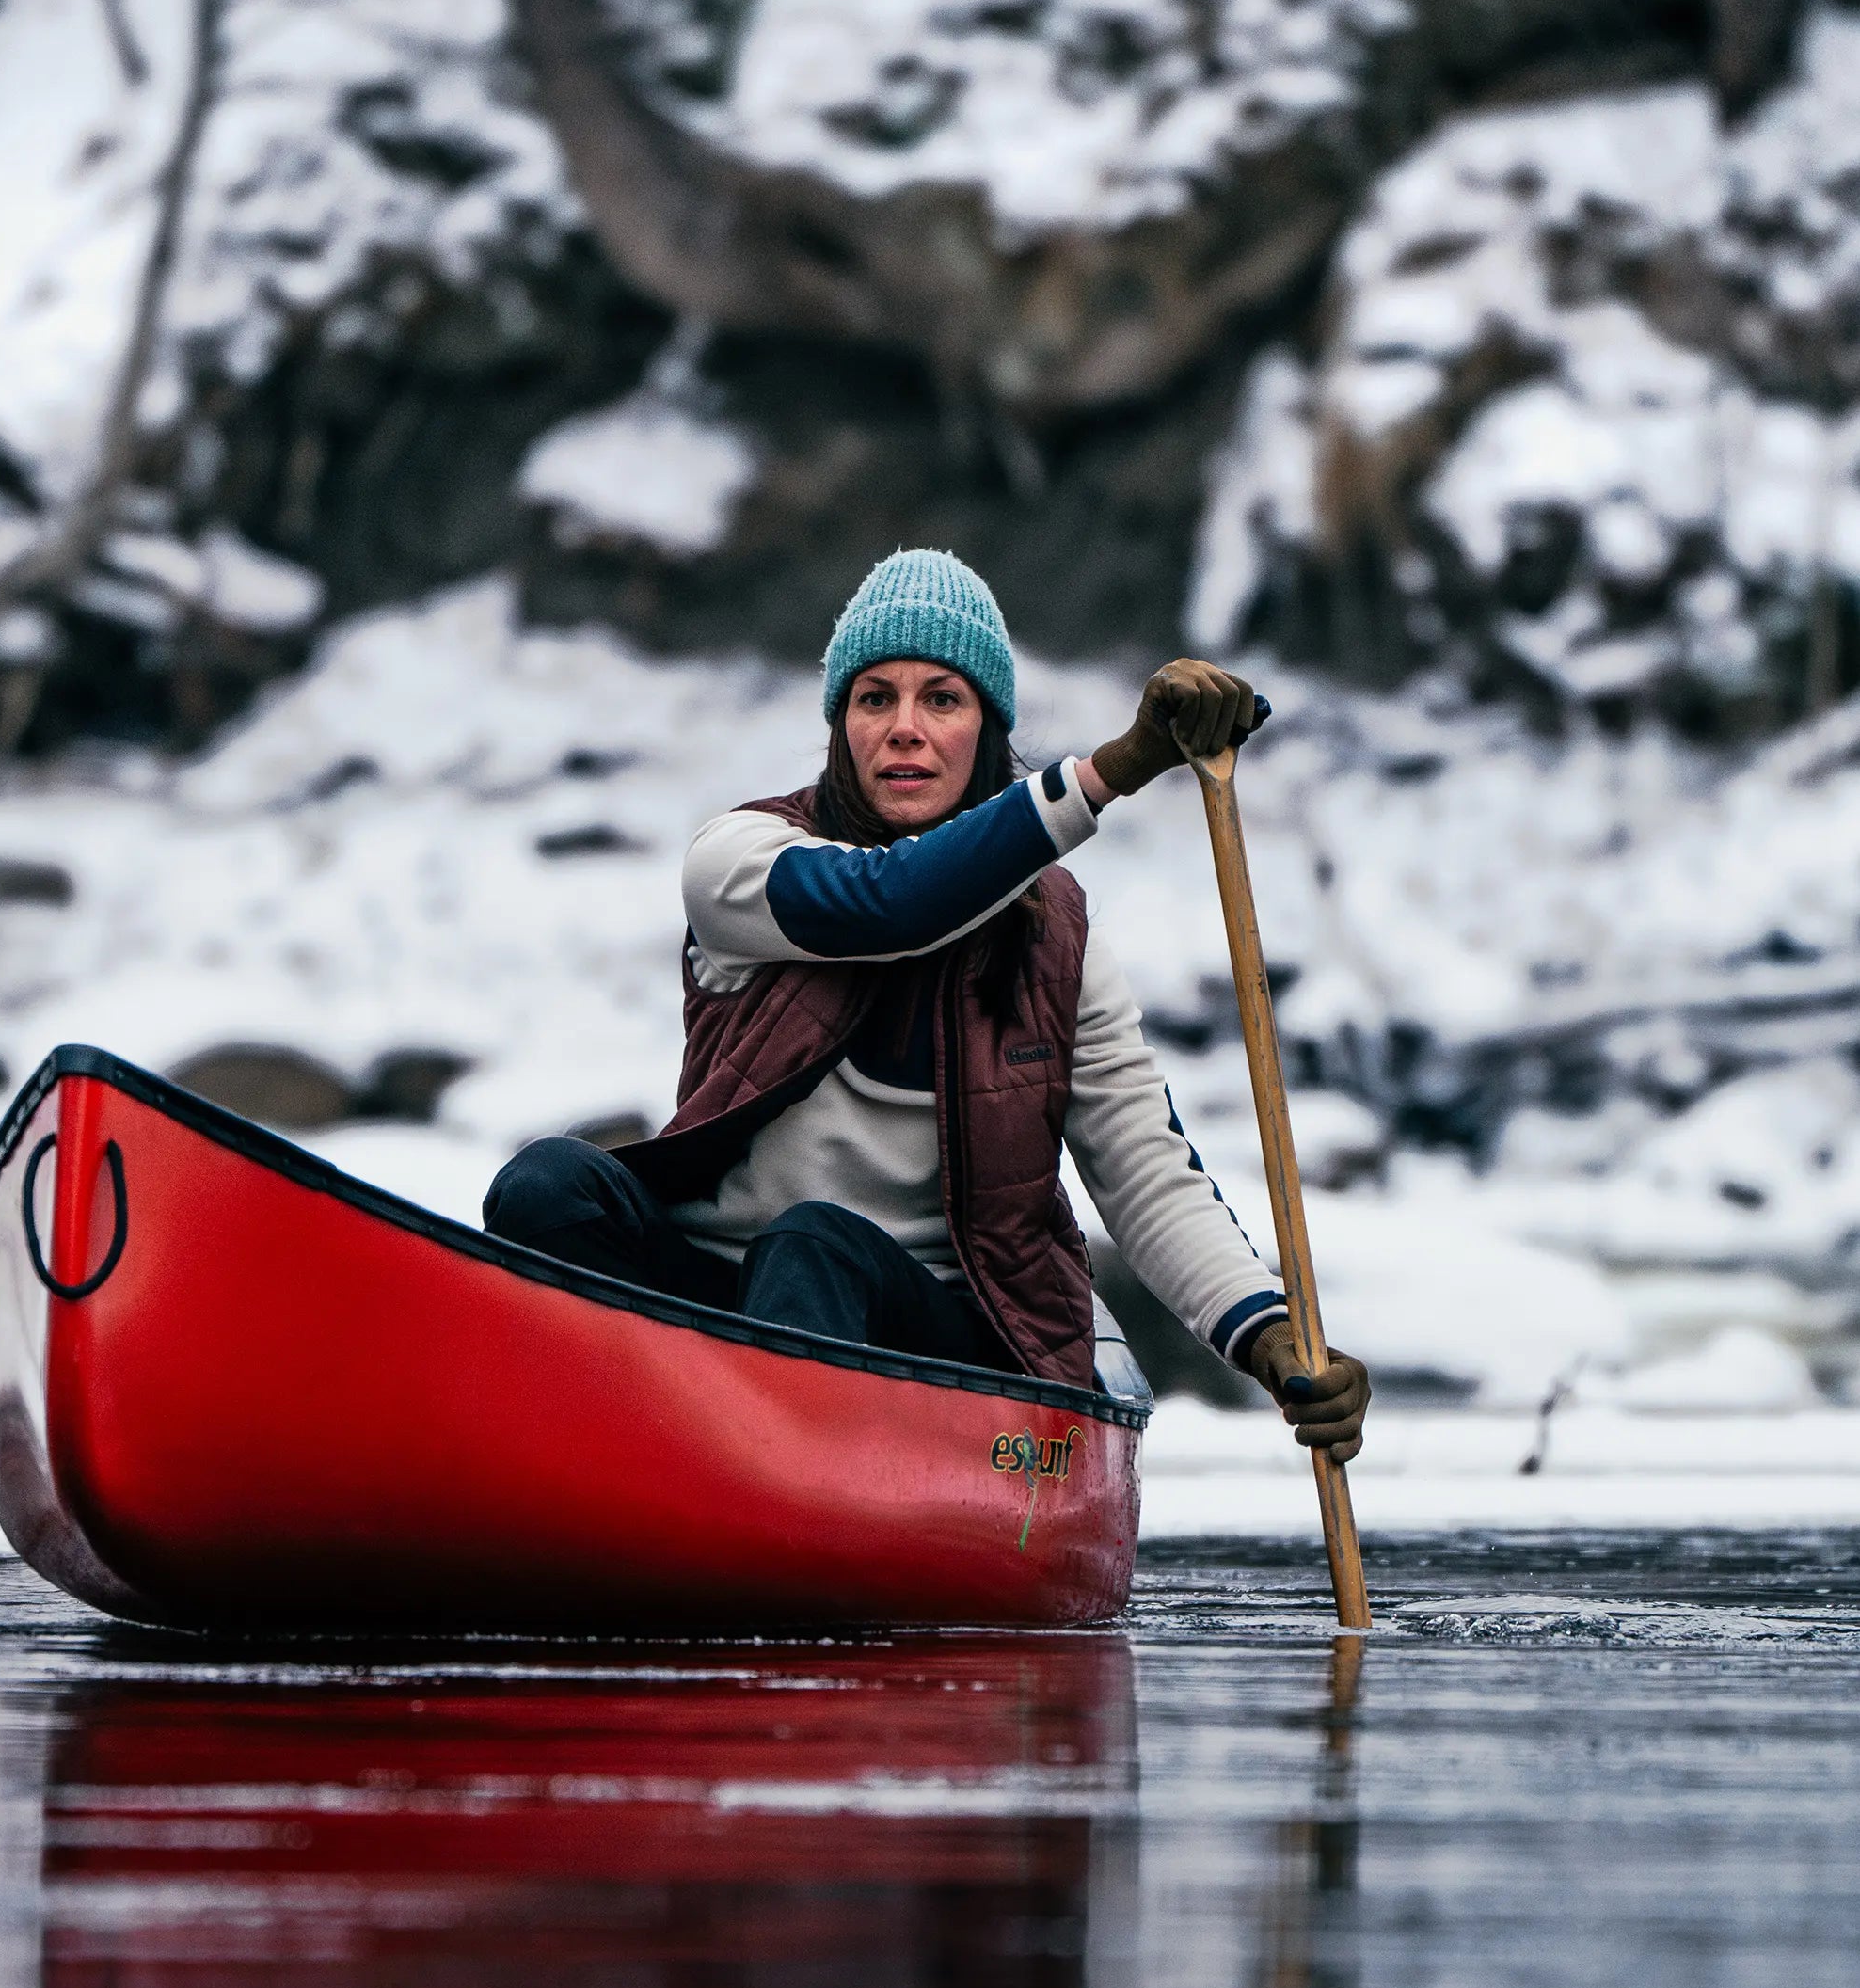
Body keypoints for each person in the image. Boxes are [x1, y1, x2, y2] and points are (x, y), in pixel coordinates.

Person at [485, 549, 1369, 1464]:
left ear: (986, 732)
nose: (904, 727)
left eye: (941, 699)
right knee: (548, 1186)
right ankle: (590, 1461)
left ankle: (770, 1500)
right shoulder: (738, 860)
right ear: (842, 729)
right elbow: (893, 904)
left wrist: (1272, 1345)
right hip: (715, 1311)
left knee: (816, 1244)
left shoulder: (1059, 945)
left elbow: (1146, 1178)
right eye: (875, 699)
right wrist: (1112, 770)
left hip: (951, 1342)